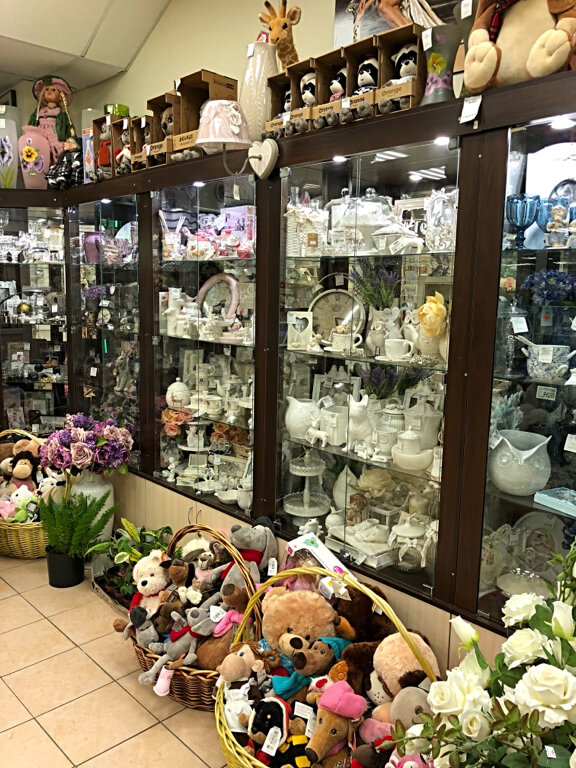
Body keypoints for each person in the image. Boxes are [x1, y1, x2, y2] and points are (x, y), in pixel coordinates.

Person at [27, 75, 76, 166]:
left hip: (55, 138)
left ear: (60, 96)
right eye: (47, 89)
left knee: (56, 154)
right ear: (43, 93)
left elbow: (69, 129)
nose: (49, 92)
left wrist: (72, 141)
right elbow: (31, 125)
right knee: (40, 154)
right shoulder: (38, 112)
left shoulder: (61, 114)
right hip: (40, 136)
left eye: (53, 90)